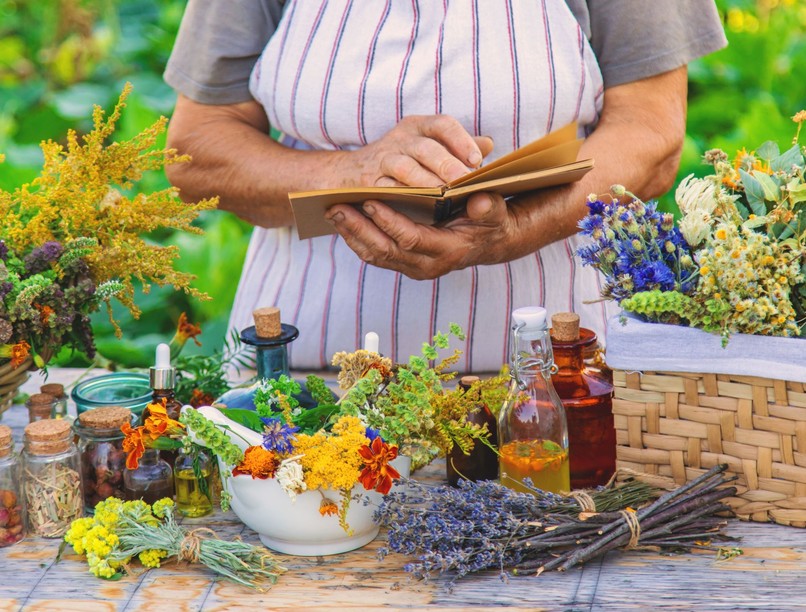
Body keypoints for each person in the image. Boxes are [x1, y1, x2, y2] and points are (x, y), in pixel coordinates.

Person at [163, 1, 727, 372]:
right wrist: (349, 173)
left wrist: (515, 230)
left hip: (556, 381)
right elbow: (199, 148)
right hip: (296, 385)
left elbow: (650, 135)